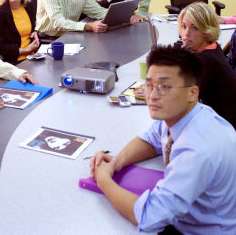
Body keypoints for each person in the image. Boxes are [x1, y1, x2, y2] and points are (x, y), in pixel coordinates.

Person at [90, 45, 236, 234]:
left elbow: (149, 216)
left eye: (165, 87)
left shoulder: (196, 150)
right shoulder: (186, 112)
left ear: (193, 93)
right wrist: (117, 161)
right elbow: (151, 139)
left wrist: (103, 180)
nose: (152, 95)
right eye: (149, 85)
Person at [178, 2, 236, 128]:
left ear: (206, 31)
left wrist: (155, 89)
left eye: (194, 28)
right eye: (184, 26)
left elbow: (183, 99)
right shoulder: (213, 47)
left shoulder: (205, 60)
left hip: (225, 129)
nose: (186, 34)